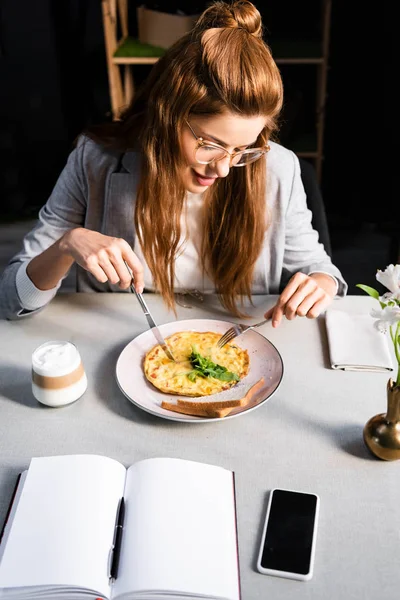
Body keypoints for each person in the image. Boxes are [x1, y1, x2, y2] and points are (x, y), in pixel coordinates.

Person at [0, 0, 347, 325]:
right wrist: (65, 245)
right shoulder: (96, 160)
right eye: (210, 144)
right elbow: (13, 301)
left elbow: (320, 270)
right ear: (167, 115)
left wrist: (321, 283)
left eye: (243, 149)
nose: (224, 169)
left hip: (238, 336)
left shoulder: (279, 168)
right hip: (121, 335)